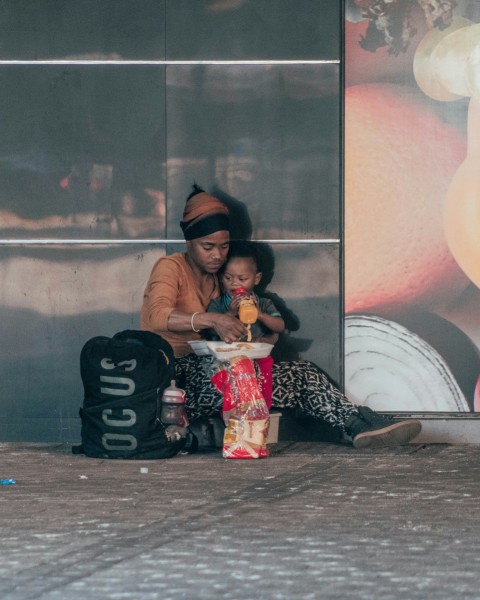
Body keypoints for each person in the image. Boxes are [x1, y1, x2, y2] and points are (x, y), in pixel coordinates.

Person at [140, 184, 422, 449]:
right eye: (207, 247)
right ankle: (358, 424)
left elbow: (235, 329)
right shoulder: (170, 267)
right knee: (238, 377)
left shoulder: (220, 279)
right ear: (189, 242)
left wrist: (262, 336)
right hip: (178, 379)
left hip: (225, 371)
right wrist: (213, 320)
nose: (217, 255)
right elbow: (157, 315)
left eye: (224, 247)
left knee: (302, 374)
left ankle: (359, 424)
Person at [206, 240, 283, 407]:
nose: (234, 283)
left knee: (265, 368)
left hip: (257, 357)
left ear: (256, 279)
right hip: (228, 359)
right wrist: (230, 314)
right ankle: (230, 409)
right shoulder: (218, 304)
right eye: (228, 277)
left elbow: (279, 326)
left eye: (242, 278)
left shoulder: (263, 303)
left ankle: (263, 406)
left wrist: (260, 315)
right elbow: (210, 329)